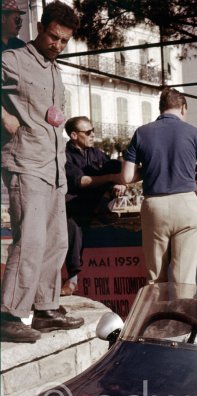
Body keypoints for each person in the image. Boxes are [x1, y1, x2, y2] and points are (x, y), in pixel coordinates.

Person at [1, 1, 83, 343]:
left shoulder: (55, 69)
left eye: (64, 40)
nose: (58, 45)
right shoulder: (12, 60)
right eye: (53, 37)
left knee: (56, 239)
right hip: (26, 163)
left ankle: (46, 309)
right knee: (31, 240)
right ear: (40, 27)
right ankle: (9, 314)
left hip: (54, 167)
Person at [122, 87, 197, 285]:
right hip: (186, 203)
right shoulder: (192, 132)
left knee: (155, 277)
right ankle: (180, 313)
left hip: (155, 206)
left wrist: (151, 169)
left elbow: (126, 177)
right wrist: (192, 168)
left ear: (160, 108)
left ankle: (158, 314)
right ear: (183, 108)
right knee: (183, 278)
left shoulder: (142, 132)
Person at [62, 116, 126, 296]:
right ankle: (73, 277)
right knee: (73, 224)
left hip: (98, 202)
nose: (93, 135)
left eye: (93, 131)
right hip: (76, 205)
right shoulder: (64, 156)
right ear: (74, 135)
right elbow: (80, 181)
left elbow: (115, 168)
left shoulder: (96, 153)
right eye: (88, 132)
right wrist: (111, 178)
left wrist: (120, 182)